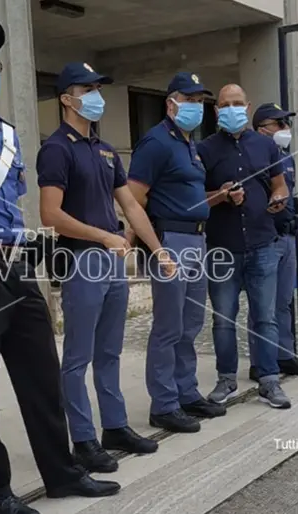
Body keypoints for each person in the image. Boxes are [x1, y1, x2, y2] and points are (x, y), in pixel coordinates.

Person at [0, 11, 119, 514]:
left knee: (41, 374)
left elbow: (15, 203)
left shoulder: (7, 135)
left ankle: (61, 472)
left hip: (16, 267)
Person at [38, 62, 176, 473]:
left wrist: (158, 250)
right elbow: (50, 214)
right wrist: (102, 236)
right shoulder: (57, 148)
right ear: (66, 98)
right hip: (82, 259)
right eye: (87, 89)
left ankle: (114, 427)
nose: (96, 96)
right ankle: (83, 439)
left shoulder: (104, 149)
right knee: (77, 356)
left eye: (98, 88)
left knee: (110, 352)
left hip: (113, 260)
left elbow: (131, 204)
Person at [126, 72, 226, 434]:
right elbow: (133, 199)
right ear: (171, 103)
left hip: (196, 241)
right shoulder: (155, 143)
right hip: (170, 241)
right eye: (190, 99)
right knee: (168, 327)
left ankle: (187, 392)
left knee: (190, 325)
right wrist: (153, 247)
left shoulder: (188, 144)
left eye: (201, 100)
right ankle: (164, 403)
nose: (197, 107)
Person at [197, 86, 293, 409]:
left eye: (238, 104)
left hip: (263, 243)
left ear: (247, 106)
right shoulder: (205, 150)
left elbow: (279, 185)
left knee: (265, 316)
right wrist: (221, 195)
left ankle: (269, 380)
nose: (232, 109)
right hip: (222, 248)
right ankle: (226, 379)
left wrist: (280, 198)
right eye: (225, 105)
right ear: (216, 112)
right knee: (224, 318)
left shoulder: (266, 146)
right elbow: (196, 199)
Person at [248, 103, 298, 382]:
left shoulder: (286, 157)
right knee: (263, 306)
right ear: (263, 128)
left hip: (287, 236)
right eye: (279, 124)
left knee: (284, 301)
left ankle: (284, 354)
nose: (285, 130)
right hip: (267, 238)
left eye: (286, 124)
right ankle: (260, 361)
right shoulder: (253, 156)